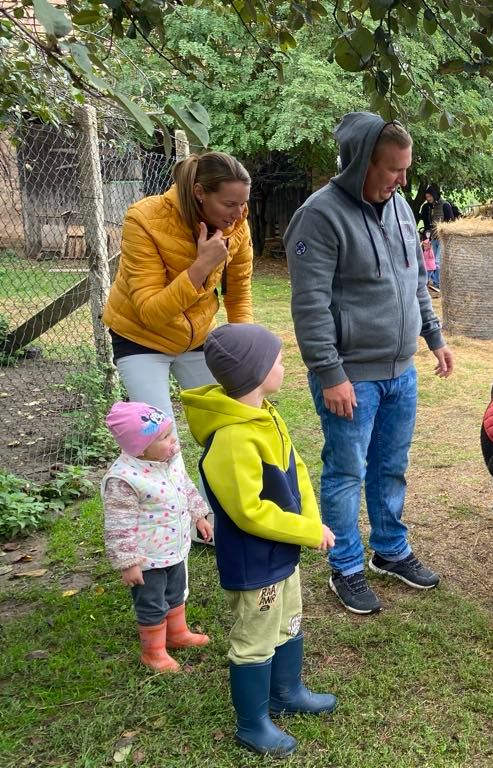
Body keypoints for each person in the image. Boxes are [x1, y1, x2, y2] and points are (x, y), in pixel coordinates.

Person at [285, 114, 454, 616]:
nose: (402, 180)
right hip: (351, 377)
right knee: (345, 471)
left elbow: (414, 282)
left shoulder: (400, 206)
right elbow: (310, 306)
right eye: (392, 170)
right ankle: (347, 566)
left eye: (405, 170)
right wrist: (330, 373)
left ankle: (390, 550)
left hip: (401, 371)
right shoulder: (320, 216)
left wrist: (434, 336)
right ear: (360, 162)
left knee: (390, 466)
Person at [181, 324, 336, 757]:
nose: (285, 366)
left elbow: (297, 469)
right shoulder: (232, 438)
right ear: (255, 373)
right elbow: (250, 513)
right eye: (279, 360)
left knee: (288, 619)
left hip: (282, 551)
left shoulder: (265, 413)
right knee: (255, 635)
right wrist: (306, 531)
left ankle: (287, 692)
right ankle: (252, 724)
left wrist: (310, 519)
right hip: (255, 562)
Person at [102, 151, 254, 543]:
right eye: (229, 204)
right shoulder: (145, 218)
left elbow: (238, 292)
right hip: (140, 336)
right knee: (161, 435)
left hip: (198, 336)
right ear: (200, 193)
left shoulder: (237, 224)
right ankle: (180, 522)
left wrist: (243, 351)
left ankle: (213, 514)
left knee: (223, 423)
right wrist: (201, 266)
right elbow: (151, 311)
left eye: (243, 203)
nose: (238, 214)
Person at [101, 401, 213, 674]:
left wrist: (199, 515)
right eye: (164, 437)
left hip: (174, 548)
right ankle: (152, 652)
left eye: (170, 432)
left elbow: (185, 487)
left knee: (175, 592)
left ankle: (177, 634)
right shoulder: (124, 480)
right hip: (147, 558)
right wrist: (128, 561)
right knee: (152, 603)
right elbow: (119, 524)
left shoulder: (168, 461)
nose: (173, 440)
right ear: (140, 448)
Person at [418, 183, 457, 278]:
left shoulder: (445, 205)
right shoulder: (426, 207)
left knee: (438, 261)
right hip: (433, 237)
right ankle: (434, 281)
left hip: (443, 237)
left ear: (434, 195)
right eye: (427, 197)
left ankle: (437, 282)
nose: (428, 199)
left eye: (430, 196)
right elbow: (426, 224)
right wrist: (426, 237)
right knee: (431, 260)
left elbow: (451, 222)